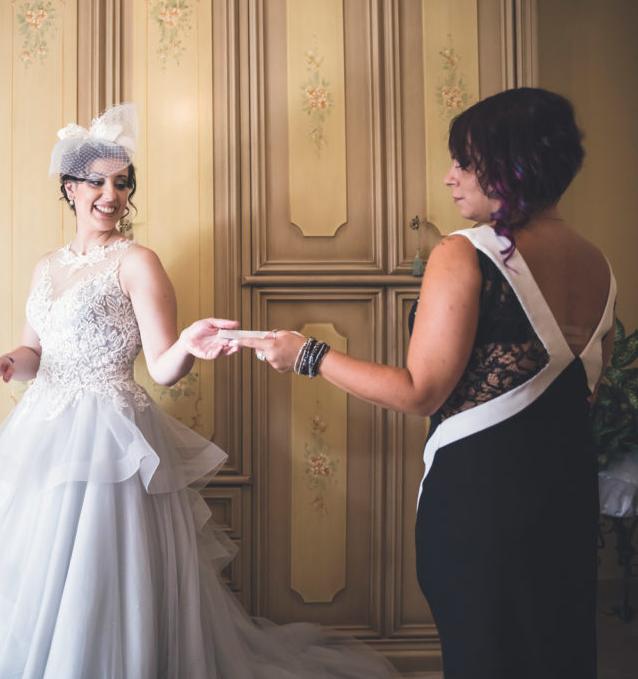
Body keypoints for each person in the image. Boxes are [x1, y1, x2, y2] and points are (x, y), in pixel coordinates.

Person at [0, 104, 397, 678]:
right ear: (70, 188)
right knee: (27, 568)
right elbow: (35, 353)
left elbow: (164, 367)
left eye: (121, 183)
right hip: (43, 430)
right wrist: (4, 362)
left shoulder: (138, 262)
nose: (110, 194)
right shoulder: (47, 267)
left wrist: (191, 342)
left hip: (110, 437)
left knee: (100, 573)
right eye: (96, 182)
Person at [241, 87, 615, 679]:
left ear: (509, 165)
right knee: (556, 655)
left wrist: (306, 354)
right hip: (567, 494)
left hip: (483, 503)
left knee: (482, 657)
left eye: (464, 162)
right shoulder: (596, 261)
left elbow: (420, 392)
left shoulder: (465, 252)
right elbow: (582, 395)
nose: (450, 177)